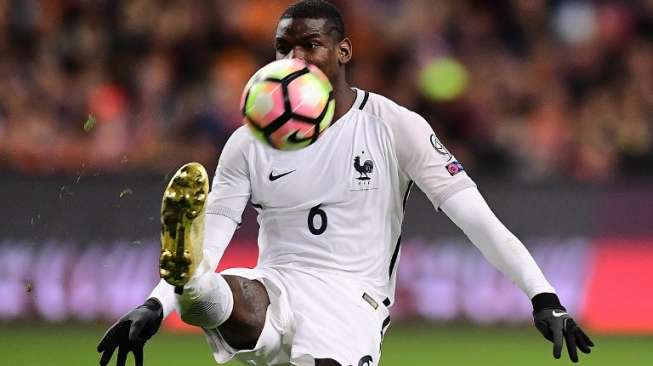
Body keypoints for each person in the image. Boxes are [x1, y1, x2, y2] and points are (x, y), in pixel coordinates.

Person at [97, 1, 594, 365]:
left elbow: (480, 222)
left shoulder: (394, 126)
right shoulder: (248, 142)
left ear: (343, 50)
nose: (295, 57)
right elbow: (212, 239)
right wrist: (155, 306)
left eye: (310, 45)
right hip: (277, 285)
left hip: (353, 299)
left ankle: (192, 293)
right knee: (211, 287)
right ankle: (189, 292)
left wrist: (543, 296)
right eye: (283, 47)